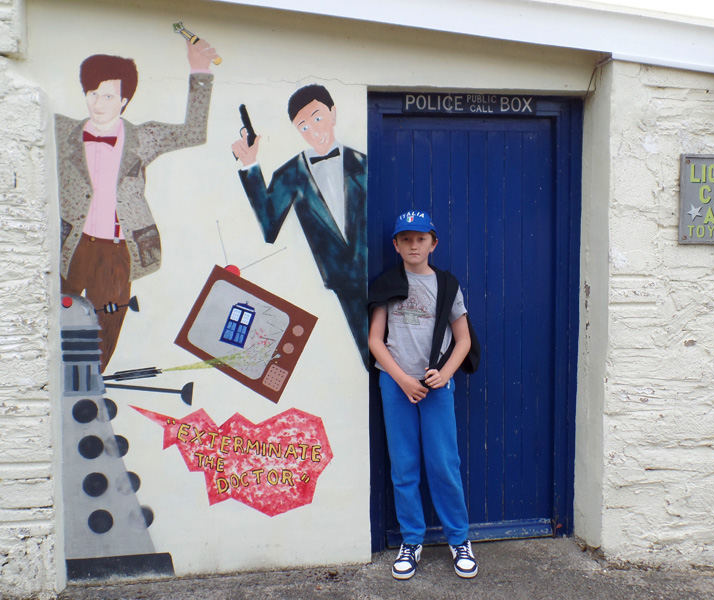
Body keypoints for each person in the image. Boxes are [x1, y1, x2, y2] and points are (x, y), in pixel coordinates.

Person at [57, 38, 217, 371]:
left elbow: (193, 132)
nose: (99, 104)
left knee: (102, 339)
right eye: (92, 94)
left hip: (118, 253)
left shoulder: (144, 138)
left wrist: (199, 70)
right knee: (55, 325)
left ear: (125, 100)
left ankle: (88, 398)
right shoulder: (64, 132)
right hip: (71, 247)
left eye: (108, 95)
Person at [367, 210, 477, 580]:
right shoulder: (386, 284)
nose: (414, 245)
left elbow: (463, 340)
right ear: (396, 245)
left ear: (433, 243)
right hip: (396, 386)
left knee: (444, 464)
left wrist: (443, 375)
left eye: (421, 239)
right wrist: (401, 379)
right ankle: (411, 540)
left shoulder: (447, 285)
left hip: (436, 388)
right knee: (404, 465)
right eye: (406, 239)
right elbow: (375, 341)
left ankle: (459, 539)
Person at [231, 84, 368, 368]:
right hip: (338, 285)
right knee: (366, 360)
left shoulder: (365, 165)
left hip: (377, 278)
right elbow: (269, 227)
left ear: (333, 113)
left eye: (317, 118)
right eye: (303, 127)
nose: (314, 131)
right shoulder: (291, 173)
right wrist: (249, 165)